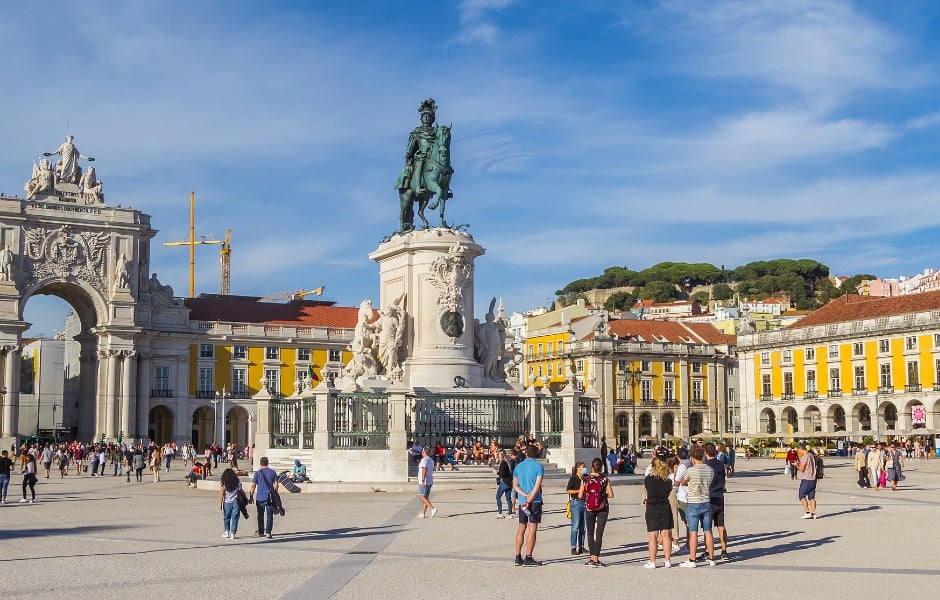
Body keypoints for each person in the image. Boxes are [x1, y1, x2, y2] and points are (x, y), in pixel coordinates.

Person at [678, 444, 716, 567]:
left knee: (693, 532)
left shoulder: (690, 470)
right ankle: (711, 558)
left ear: (692, 457)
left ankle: (692, 559)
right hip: (706, 501)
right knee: (708, 531)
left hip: (693, 502)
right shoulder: (710, 470)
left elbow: (682, 482)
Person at [512, 445, 545, 566]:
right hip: (534, 501)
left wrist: (524, 495)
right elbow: (537, 486)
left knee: (521, 529)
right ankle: (529, 556)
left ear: (526, 453)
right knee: (532, 529)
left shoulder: (519, 466)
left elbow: (515, 485)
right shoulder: (538, 467)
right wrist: (530, 499)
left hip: (522, 501)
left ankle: (517, 556)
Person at [580, 457, 614, 567]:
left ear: (592, 467)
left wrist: (588, 496)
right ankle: (596, 558)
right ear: (601, 467)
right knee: (599, 533)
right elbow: (611, 494)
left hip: (589, 507)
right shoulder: (604, 479)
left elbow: (580, 495)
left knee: (590, 533)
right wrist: (602, 496)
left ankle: (591, 557)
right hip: (602, 507)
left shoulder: (585, 479)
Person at [644, 457, 674, 568]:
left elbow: (646, 492)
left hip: (652, 507)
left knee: (653, 536)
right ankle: (667, 560)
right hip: (664, 507)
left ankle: (652, 562)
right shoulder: (668, 481)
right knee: (666, 535)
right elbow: (669, 493)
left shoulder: (648, 479)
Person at [704, 443, 729, 561]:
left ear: (705, 452)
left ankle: (708, 551)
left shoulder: (706, 465)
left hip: (709, 497)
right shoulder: (720, 464)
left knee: (707, 527)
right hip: (720, 496)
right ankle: (724, 551)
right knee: (721, 525)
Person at [249, 457, 279, 538]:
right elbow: (276, 484)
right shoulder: (272, 472)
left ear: (260, 463)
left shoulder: (257, 473)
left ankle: (261, 531)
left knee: (260, 514)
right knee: (270, 515)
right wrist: (275, 493)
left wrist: (251, 496)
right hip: (269, 496)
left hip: (259, 497)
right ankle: (268, 532)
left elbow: (253, 486)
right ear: (267, 463)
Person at [566, 462, 587, 555]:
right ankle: (573, 547)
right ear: (578, 469)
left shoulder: (586, 478)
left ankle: (581, 546)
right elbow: (568, 490)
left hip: (585, 503)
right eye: (582, 468)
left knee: (584, 527)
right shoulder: (573, 478)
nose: (584, 469)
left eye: (585, 467)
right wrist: (579, 490)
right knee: (575, 526)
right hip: (576, 503)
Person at [795, 443, 818, 519]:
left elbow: (802, 469)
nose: (799, 451)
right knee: (811, 497)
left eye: (799, 450)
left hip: (806, 479)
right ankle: (813, 513)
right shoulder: (811, 455)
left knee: (801, 495)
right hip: (813, 479)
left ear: (801, 449)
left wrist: (796, 465)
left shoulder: (805, 457)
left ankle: (807, 512)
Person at [219, 468, 243, 540]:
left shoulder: (224, 483)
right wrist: (246, 498)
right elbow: (241, 491)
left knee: (226, 517)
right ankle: (233, 533)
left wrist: (220, 503)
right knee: (235, 518)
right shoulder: (237, 482)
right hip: (236, 501)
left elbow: (222, 494)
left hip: (227, 502)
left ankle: (226, 532)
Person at [417, 446, 437, 518]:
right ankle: (423, 513)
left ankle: (432, 508)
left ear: (423, 452)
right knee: (426, 497)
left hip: (424, 481)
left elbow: (424, 470)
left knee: (421, 496)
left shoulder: (423, 460)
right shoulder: (431, 460)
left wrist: (422, 481)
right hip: (430, 480)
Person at [495, 449, 514, 518]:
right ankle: (510, 513)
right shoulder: (508, 462)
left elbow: (502, 474)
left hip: (505, 481)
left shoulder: (503, 463)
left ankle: (500, 512)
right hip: (509, 482)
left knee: (498, 496)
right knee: (508, 498)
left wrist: (496, 472)